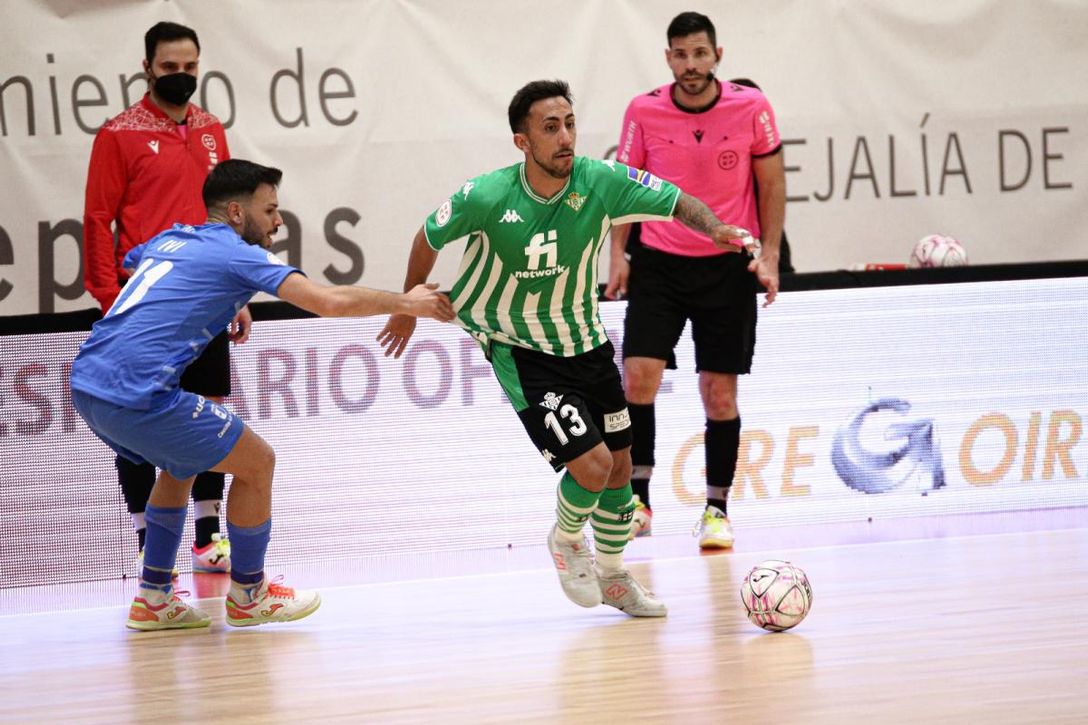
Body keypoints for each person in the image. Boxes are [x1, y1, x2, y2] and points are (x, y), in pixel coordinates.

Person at [377, 80, 753, 617]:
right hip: (520, 349)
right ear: (522, 142)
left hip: (587, 344)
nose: (565, 137)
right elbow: (427, 237)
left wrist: (714, 227)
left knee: (622, 472)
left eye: (570, 124)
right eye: (550, 128)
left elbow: (672, 200)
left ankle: (616, 577)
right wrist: (405, 304)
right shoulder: (487, 195)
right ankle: (566, 538)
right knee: (593, 466)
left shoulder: (599, 180)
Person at [70, 159, 455, 630]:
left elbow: (140, 266)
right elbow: (328, 302)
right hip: (137, 392)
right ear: (236, 212)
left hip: (87, 383)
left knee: (180, 463)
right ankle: (250, 595)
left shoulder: (172, 238)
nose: (278, 221)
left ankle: (153, 597)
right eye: (270, 210)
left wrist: (232, 297)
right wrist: (405, 302)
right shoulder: (237, 253)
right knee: (257, 463)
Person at [605, 12, 786, 547]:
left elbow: (772, 185)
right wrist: (618, 256)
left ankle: (716, 511)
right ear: (668, 59)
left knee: (718, 393)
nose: (690, 65)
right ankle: (638, 503)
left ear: (718, 56)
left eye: (699, 54)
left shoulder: (750, 107)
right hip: (660, 262)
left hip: (727, 266)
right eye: (680, 55)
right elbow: (623, 189)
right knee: (638, 379)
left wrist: (769, 255)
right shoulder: (644, 110)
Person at [82, 21, 242, 575]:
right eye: (169, 68)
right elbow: (98, 219)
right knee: (139, 425)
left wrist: (237, 291)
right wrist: (110, 299)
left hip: (205, 301)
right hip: (143, 306)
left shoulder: (211, 130)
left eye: (190, 67)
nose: (181, 77)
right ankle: (150, 548)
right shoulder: (118, 133)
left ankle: (208, 537)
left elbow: (225, 218)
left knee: (209, 415)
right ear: (147, 67)